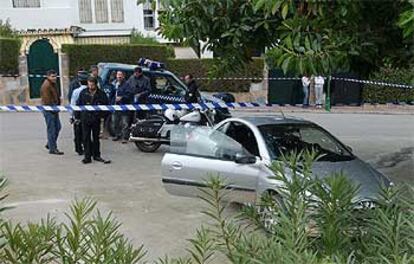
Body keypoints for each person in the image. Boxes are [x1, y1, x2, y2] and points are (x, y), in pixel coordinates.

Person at [76, 76, 110, 164]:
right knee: (86, 138)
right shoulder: (83, 93)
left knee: (96, 138)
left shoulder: (101, 94)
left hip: (96, 119)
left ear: (95, 84)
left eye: (92, 85)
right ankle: (87, 157)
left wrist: (102, 116)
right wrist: (77, 117)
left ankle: (96, 155)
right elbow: (78, 105)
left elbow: (106, 107)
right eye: (89, 84)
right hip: (85, 118)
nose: (90, 87)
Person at [40, 70, 64, 155]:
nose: (54, 78)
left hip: (54, 109)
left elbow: (56, 95)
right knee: (52, 129)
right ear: (48, 76)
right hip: (49, 110)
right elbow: (47, 101)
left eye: (55, 76)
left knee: (57, 127)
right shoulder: (46, 86)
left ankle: (50, 144)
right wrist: (55, 108)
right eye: (52, 76)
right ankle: (53, 149)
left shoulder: (53, 84)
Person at [70, 71, 89, 155]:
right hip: (87, 115)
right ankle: (87, 147)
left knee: (77, 132)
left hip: (77, 114)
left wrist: (71, 116)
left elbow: (73, 104)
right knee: (86, 132)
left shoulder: (76, 91)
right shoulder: (89, 90)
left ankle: (78, 148)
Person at [112, 71, 133, 143]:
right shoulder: (114, 84)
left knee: (125, 123)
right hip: (115, 106)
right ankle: (117, 135)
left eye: (120, 75)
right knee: (115, 122)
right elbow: (112, 94)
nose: (119, 76)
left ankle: (125, 137)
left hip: (124, 107)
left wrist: (122, 98)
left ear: (123, 76)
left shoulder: (127, 85)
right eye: (118, 75)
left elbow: (129, 95)